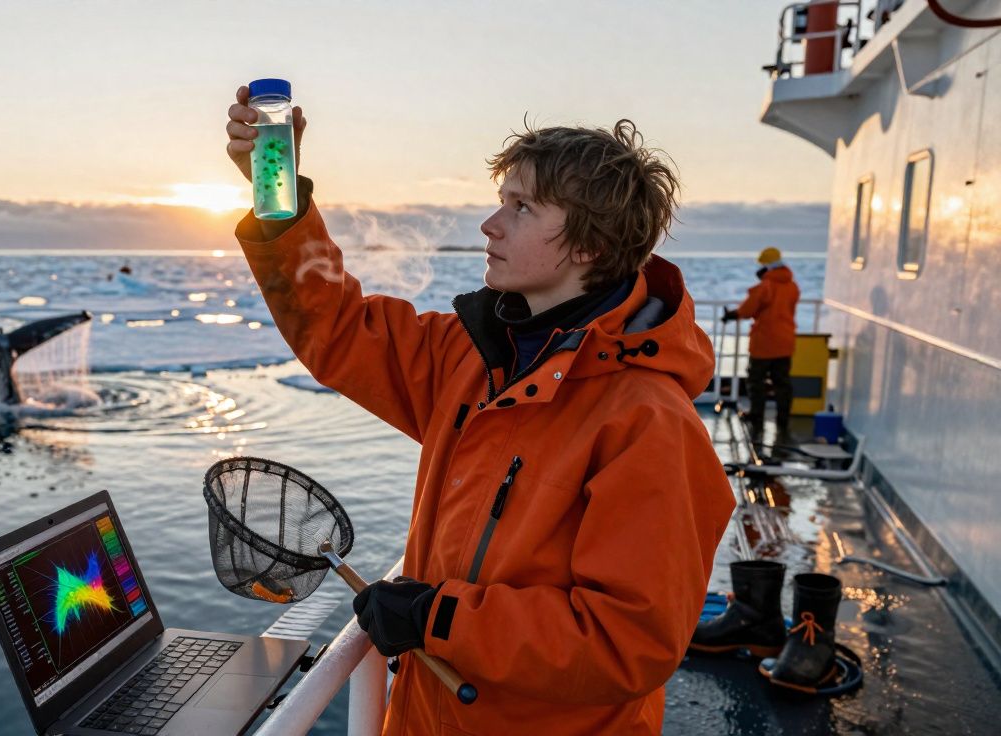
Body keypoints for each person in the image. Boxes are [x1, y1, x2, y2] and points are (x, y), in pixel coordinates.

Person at [225, 86, 734, 735]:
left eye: (521, 208)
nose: (491, 225)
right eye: (501, 202)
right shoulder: (469, 358)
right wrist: (279, 199)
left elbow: (626, 642)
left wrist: (438, 618)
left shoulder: (647, 422)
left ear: (591, 247)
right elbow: (340, 330)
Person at [721, 247, 800, 441]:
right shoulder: (792, 287)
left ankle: (757, 417)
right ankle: (783, 420)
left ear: (767, 267)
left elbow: (748, 309)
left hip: (764, 344)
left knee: (756, 381)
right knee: (782, 383)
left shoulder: (766, 286)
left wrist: (732, 314)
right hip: (785, 342)